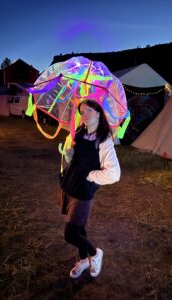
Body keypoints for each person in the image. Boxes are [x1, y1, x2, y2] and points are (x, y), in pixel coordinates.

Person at [60, 99, 121, 279]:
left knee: (70, 234)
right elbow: (75, 160)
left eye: (87, 110)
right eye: (81, 111)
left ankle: (95, 254)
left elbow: (114, 174)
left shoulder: (104, 140)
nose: (83, 114)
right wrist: (69, 154)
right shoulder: (80, 132)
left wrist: (90, 176)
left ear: (98, 113)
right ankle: (84, 261)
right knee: (79, 229)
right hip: (69, 184)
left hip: (83, 191)